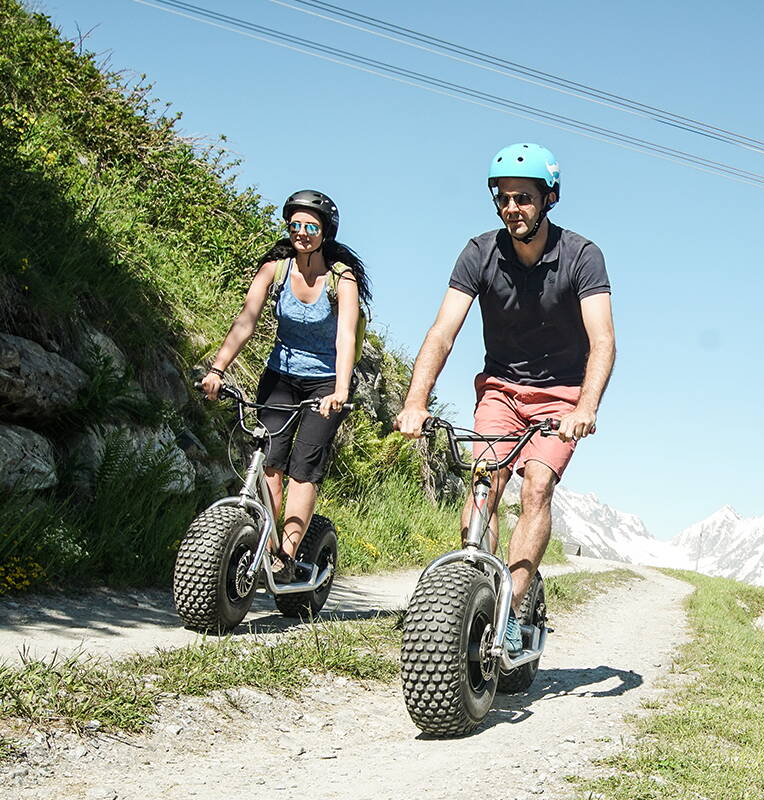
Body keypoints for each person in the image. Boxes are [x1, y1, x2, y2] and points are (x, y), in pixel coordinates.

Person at [396, 143, 615, 653]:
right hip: (500, 388)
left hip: (561, 395)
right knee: (484, 481)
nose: (512, 207)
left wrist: (586, 407)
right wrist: (415, 400)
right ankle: (479, 584)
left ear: (549, 198)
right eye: (503, 198)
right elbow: (442, 332)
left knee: (536, 487)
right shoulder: (479, 252)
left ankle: (513, 611)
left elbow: (603, 340)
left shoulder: (582, 256)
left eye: (523, 197)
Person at [201, 190, 370, 582]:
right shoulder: (275, 269)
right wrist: (217, 368)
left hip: (326, 382)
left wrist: (340, 390)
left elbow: (345, 336)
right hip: (280, 376)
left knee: (303, 469)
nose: (302, 233)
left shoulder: (341, 278)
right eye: (295, 225)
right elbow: (247, 321)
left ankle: (287, 556)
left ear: (325, 232)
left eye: (310, 226)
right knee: (270, 463)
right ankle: (266, 541)